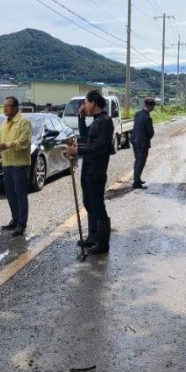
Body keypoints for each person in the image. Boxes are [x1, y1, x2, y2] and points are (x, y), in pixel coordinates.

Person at [66, 90, 114, 254]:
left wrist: (78, 151)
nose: (84, 106)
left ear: (94, 102)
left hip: (97, 171)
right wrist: (81, 118)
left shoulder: (105, 121)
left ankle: (102, 243)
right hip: (88, 169)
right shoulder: (96, 121)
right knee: (88, 203)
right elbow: (86, 136)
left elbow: (100, 147)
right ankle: (92, 237)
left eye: (86, 103)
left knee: (97, 205)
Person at [0, 96, 32, 236]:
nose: (5, 108)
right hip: (7, 163)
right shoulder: (4, 123)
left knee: (20, 194)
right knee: (10, 194)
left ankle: (22, 223)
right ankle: (15, 219)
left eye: (8, 106)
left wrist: (6, 145)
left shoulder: (24, 122)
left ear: (16, 107)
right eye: (4, 106)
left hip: (20, 164)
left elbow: (24, 142)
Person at [131, 97, 156, 189]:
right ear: (151, 106)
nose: (153, 108)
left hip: (134, 140)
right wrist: (148, 137)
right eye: (153, 106)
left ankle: (137, 178)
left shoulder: (138, 114)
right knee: (141, 162)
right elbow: (151, 133)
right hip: (142, 143)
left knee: (137, 160)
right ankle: (136, 183)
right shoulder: (147, 117)